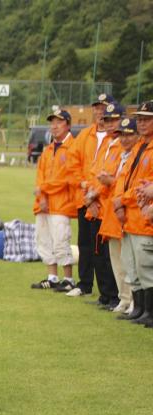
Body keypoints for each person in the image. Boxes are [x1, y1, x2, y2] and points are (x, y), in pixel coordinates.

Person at [64, 93, 115, 296]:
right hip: (84, 197)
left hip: (104, 199)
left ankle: (108, 291)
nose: (100, 111)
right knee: (85, 243)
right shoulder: (85, 135)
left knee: (102, 248)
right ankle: (84, 284)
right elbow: (72, 164)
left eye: (104, 107)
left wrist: (95, 193)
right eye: (97, 107)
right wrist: (85, 186)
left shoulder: (115, 137)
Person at [112, 100, 153, 327]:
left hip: (144, 219)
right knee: (132, 265)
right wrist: (118, 202)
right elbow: (124, 179)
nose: (143, 123)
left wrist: (122, 199)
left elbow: (142, 187)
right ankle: (139, 307)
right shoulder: (139, 147)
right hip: (129, 218)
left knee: (146, 266)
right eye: (141, 119)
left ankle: (149, 310)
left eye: (147, 119)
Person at [80, 103, 124, 309]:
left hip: (108, 207)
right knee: (97, 253)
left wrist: (94, 195)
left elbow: (112, 178)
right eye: (106, 120)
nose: (108, 124)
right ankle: (105, 295)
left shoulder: (121, 145)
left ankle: (114, 296)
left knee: (109, 255)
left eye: (113, 120)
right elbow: (94, 173)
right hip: (96, 206)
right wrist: (90, 197)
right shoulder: (106, 144)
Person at [30, 109, 77, 290]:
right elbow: (40, 175)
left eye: (59, 122)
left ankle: (68, 279)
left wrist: (44, 190)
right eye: (52, 122)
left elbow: (66, 177)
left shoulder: (73, 147)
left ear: (68, 125)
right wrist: (42, 196)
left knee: (61, 240)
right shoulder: (49, 149)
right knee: (44, 239)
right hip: (43, 203)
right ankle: (52, 276)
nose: (55, 126)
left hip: (61, 203)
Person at [98, 118, 138, 314]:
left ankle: (132, 300)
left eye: (130, 134)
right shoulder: (120, 156)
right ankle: (124, 298)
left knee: (130, 261)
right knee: (117, 259)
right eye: (122, 134)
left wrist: (110, 182)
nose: (125, 138)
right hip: (113, 214)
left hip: (128, 215)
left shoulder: (135, 157)